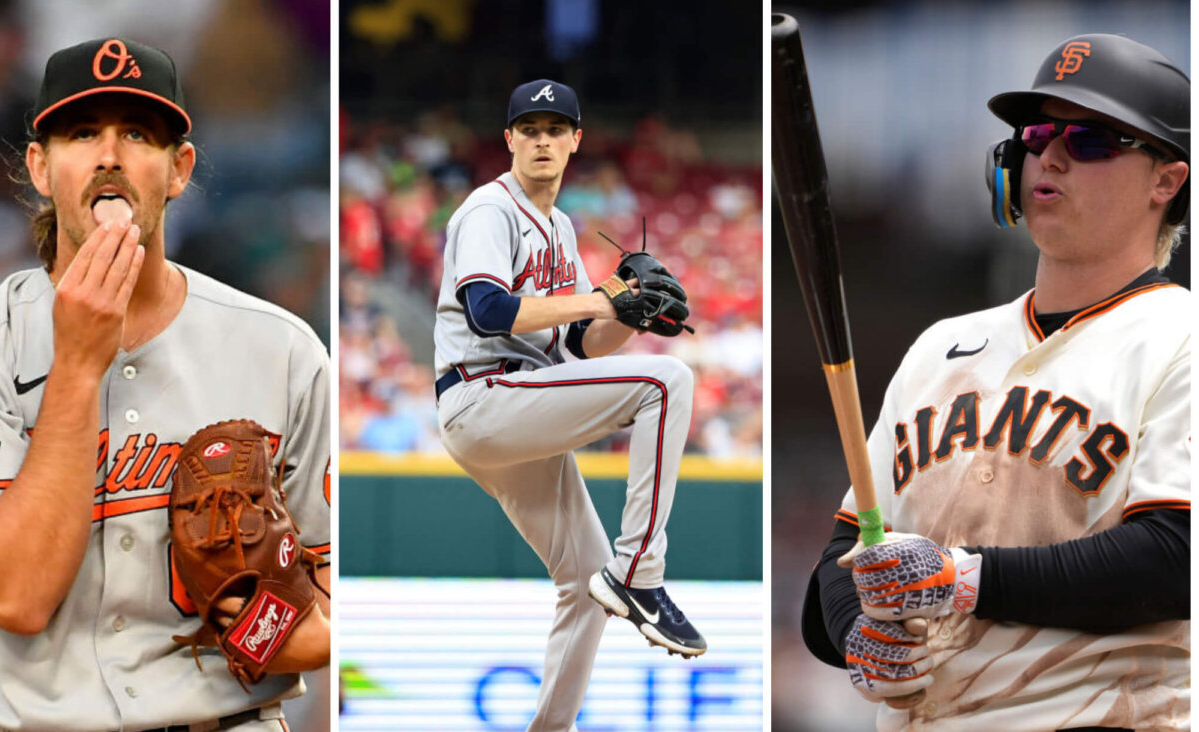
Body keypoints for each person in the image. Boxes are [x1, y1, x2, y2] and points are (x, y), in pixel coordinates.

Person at [0, 38, 331, 732]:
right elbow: (18, 597)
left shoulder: (280, 350)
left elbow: (329, 586)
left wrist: (266, 626)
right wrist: (76, 365)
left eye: (138, 133)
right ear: (41, 168)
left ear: (179, 170)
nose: (110, 155)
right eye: (82, 133)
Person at [800, 33, 1190, 732]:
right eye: (1038, 134)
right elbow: (845, 556)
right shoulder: (938, 348)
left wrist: (959, 579)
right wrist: (855, 635)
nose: (1051, 154)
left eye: (1093, 138)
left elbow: (1174, 559)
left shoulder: (1180, 335)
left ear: (1168, 180)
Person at [433, 79, 705, 732]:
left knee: (586, 581)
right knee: (668, 384)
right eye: (530, 129)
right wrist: (605, 298)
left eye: (555, 129)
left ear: (576, 140)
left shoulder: (558, 227)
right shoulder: (488, 210)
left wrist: (636, 313)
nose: (543, 140)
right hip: (483, 392)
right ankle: (640, 572)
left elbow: (584, 342)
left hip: (521, 405)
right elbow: (489, 309)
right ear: (509, 141)